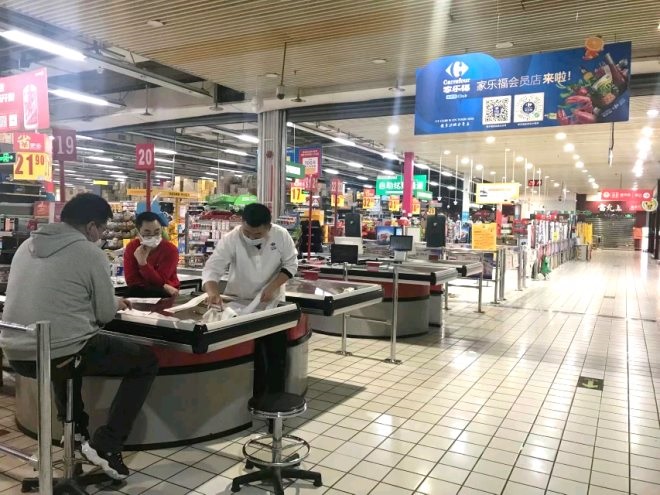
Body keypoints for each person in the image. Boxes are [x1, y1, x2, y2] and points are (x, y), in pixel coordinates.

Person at [0, 193, 159, 480]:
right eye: (103, 228)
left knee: (64, 349)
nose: (102, 235)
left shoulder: (26, 246)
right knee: (144, 361)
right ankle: (107, 444)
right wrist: (114, 303)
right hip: (57, 351)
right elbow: (104, 313)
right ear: (91, 226)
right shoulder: (89, 252)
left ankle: (75, 434)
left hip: (16, 351)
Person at [202, 203, 298, 305]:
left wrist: (273, 286)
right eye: (247, 232)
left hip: (271, 301)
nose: (251, 238)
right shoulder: (231, 238)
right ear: (242, 223)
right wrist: (212, 293)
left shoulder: (281, 235)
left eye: (257, 235)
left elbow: (291, 264)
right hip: (238, 300)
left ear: (269, 227)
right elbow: (213, 268)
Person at [124, 211, 180, 298]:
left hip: (165, 296)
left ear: (161, 229)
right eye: (147, 233)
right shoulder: (132, 247)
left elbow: (161, 280)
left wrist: (143, 264)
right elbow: (131, 281)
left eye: (157, 232)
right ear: (138, 232)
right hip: (138, 294)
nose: (153, 236)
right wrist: (164, 286)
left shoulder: (170, 250)